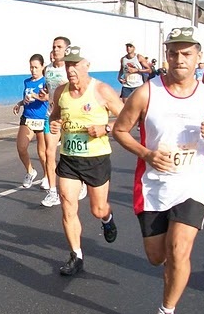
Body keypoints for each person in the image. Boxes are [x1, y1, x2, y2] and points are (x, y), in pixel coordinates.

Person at [112, 26, 204, 314]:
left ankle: (167, 313)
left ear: (198, 57)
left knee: (179, 249)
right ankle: (169, 274)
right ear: (166, 56)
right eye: (173, 52)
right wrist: (146, 154)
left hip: (193, 182)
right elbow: (120, 130)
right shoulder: (147, 92)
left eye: (186, 53)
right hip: (154, 184)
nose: (179, 58)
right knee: (157, 256)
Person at [49, 45, 124, 276]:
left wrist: (106, 127)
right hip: (70, 158)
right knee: (68, 205)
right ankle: (76, 255)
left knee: (97, 209)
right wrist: (54, 125)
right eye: (68, 64)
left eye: (75, 64)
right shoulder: (60, 92)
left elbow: (128, 118)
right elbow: (55, 117)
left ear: (86, 66)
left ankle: (107, 218)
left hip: (96, 158)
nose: (71, 69)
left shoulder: (101, 90)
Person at [40, 36, 87, 206]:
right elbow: (48, 89)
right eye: (54, 46)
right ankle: (53, 192)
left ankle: (80, 181)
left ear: (66, 49)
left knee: (71, 154)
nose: (55, 49)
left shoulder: (70, 70)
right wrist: (45, 95)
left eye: (59, 46)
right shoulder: (48, 69)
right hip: (51, 115)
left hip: (70, 117)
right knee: (49, 152)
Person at [13, 53, 48, 188]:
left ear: (42, 67)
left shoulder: (46, 81)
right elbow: (27, 98)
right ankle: (30, 171)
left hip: (42, 118)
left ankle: (46, 176)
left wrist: (36, 96)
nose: (33, 70)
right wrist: (20, 103)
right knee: (21, 148)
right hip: (27, 117)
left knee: (42, 152)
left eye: (36, 67)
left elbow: (47, 98)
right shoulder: (27, 82)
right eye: (31, 67)